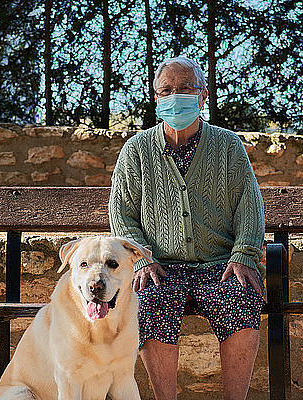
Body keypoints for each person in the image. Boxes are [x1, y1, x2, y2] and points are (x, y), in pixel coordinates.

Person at [109, 56, 265, 400]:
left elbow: (249, 206)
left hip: (218, 265)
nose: (174, 96)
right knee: (148, 304)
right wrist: (142, 259)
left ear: (203, 96)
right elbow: (122, 215)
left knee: (242, 298)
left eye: (184, 88)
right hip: (160, 267)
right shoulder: (136, 151)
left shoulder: (227, 145)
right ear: (155, 98)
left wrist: (243, 254)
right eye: (166, 90)